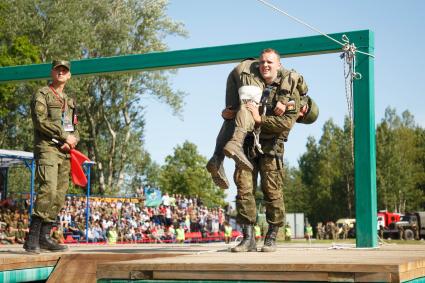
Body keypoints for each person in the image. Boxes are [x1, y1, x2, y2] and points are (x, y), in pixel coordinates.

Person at [222, 49, 313, 253]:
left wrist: (259, 119)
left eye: (270, 62)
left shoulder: (289, 91)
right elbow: (237, 110)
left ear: (278, 65)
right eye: (262, 62)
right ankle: (247, 238)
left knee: (272, 191)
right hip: (247, 144)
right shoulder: (251, 83)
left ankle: (271, 236)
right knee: (243, 189)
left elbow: (285, 123)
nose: (265, 65)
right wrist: (227, 113)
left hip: (271, 147)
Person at [206, 53, 318, 190]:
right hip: (249, 71)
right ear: (306, 107)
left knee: (231, 117)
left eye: (299, 118)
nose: (297, 115)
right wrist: (282, 101)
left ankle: (217, 158)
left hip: (237, 74)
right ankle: (235, 144)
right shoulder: (296, 88)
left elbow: (249, 112)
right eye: (301, 114)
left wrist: (229, 114)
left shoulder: (276, 84)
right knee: (247, 107)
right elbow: (293, 75)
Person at [24, 60, 79, 253]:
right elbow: (40, 121)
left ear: (69, 75)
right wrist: (64, 136)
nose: (61, 72)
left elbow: (74, 128)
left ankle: (45, 237)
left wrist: (72, 140)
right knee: (48, 188)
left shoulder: (70, 101)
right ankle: (32, 238)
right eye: (58, 70)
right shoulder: (42, 94)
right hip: (47, 147)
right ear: (52, 72)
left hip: (64, 152)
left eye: (65, 70)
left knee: (59, 194)